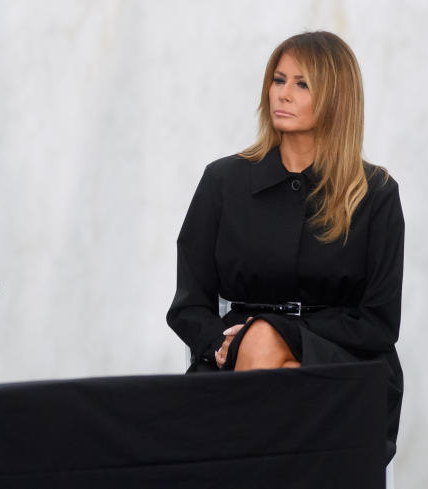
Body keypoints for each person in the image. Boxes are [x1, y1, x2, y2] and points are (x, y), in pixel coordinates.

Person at [166, 31, 404, 461]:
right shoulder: (222, 183)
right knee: (269, 356)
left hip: (345, 363)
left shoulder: (376, 193)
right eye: (279, 80)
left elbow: (378, 325)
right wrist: (223, 343)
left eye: (302, 84)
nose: (284, 94)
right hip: (234, 358)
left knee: (269, 348)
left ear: (336, 97)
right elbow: (188, 307)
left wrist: (284, 335)